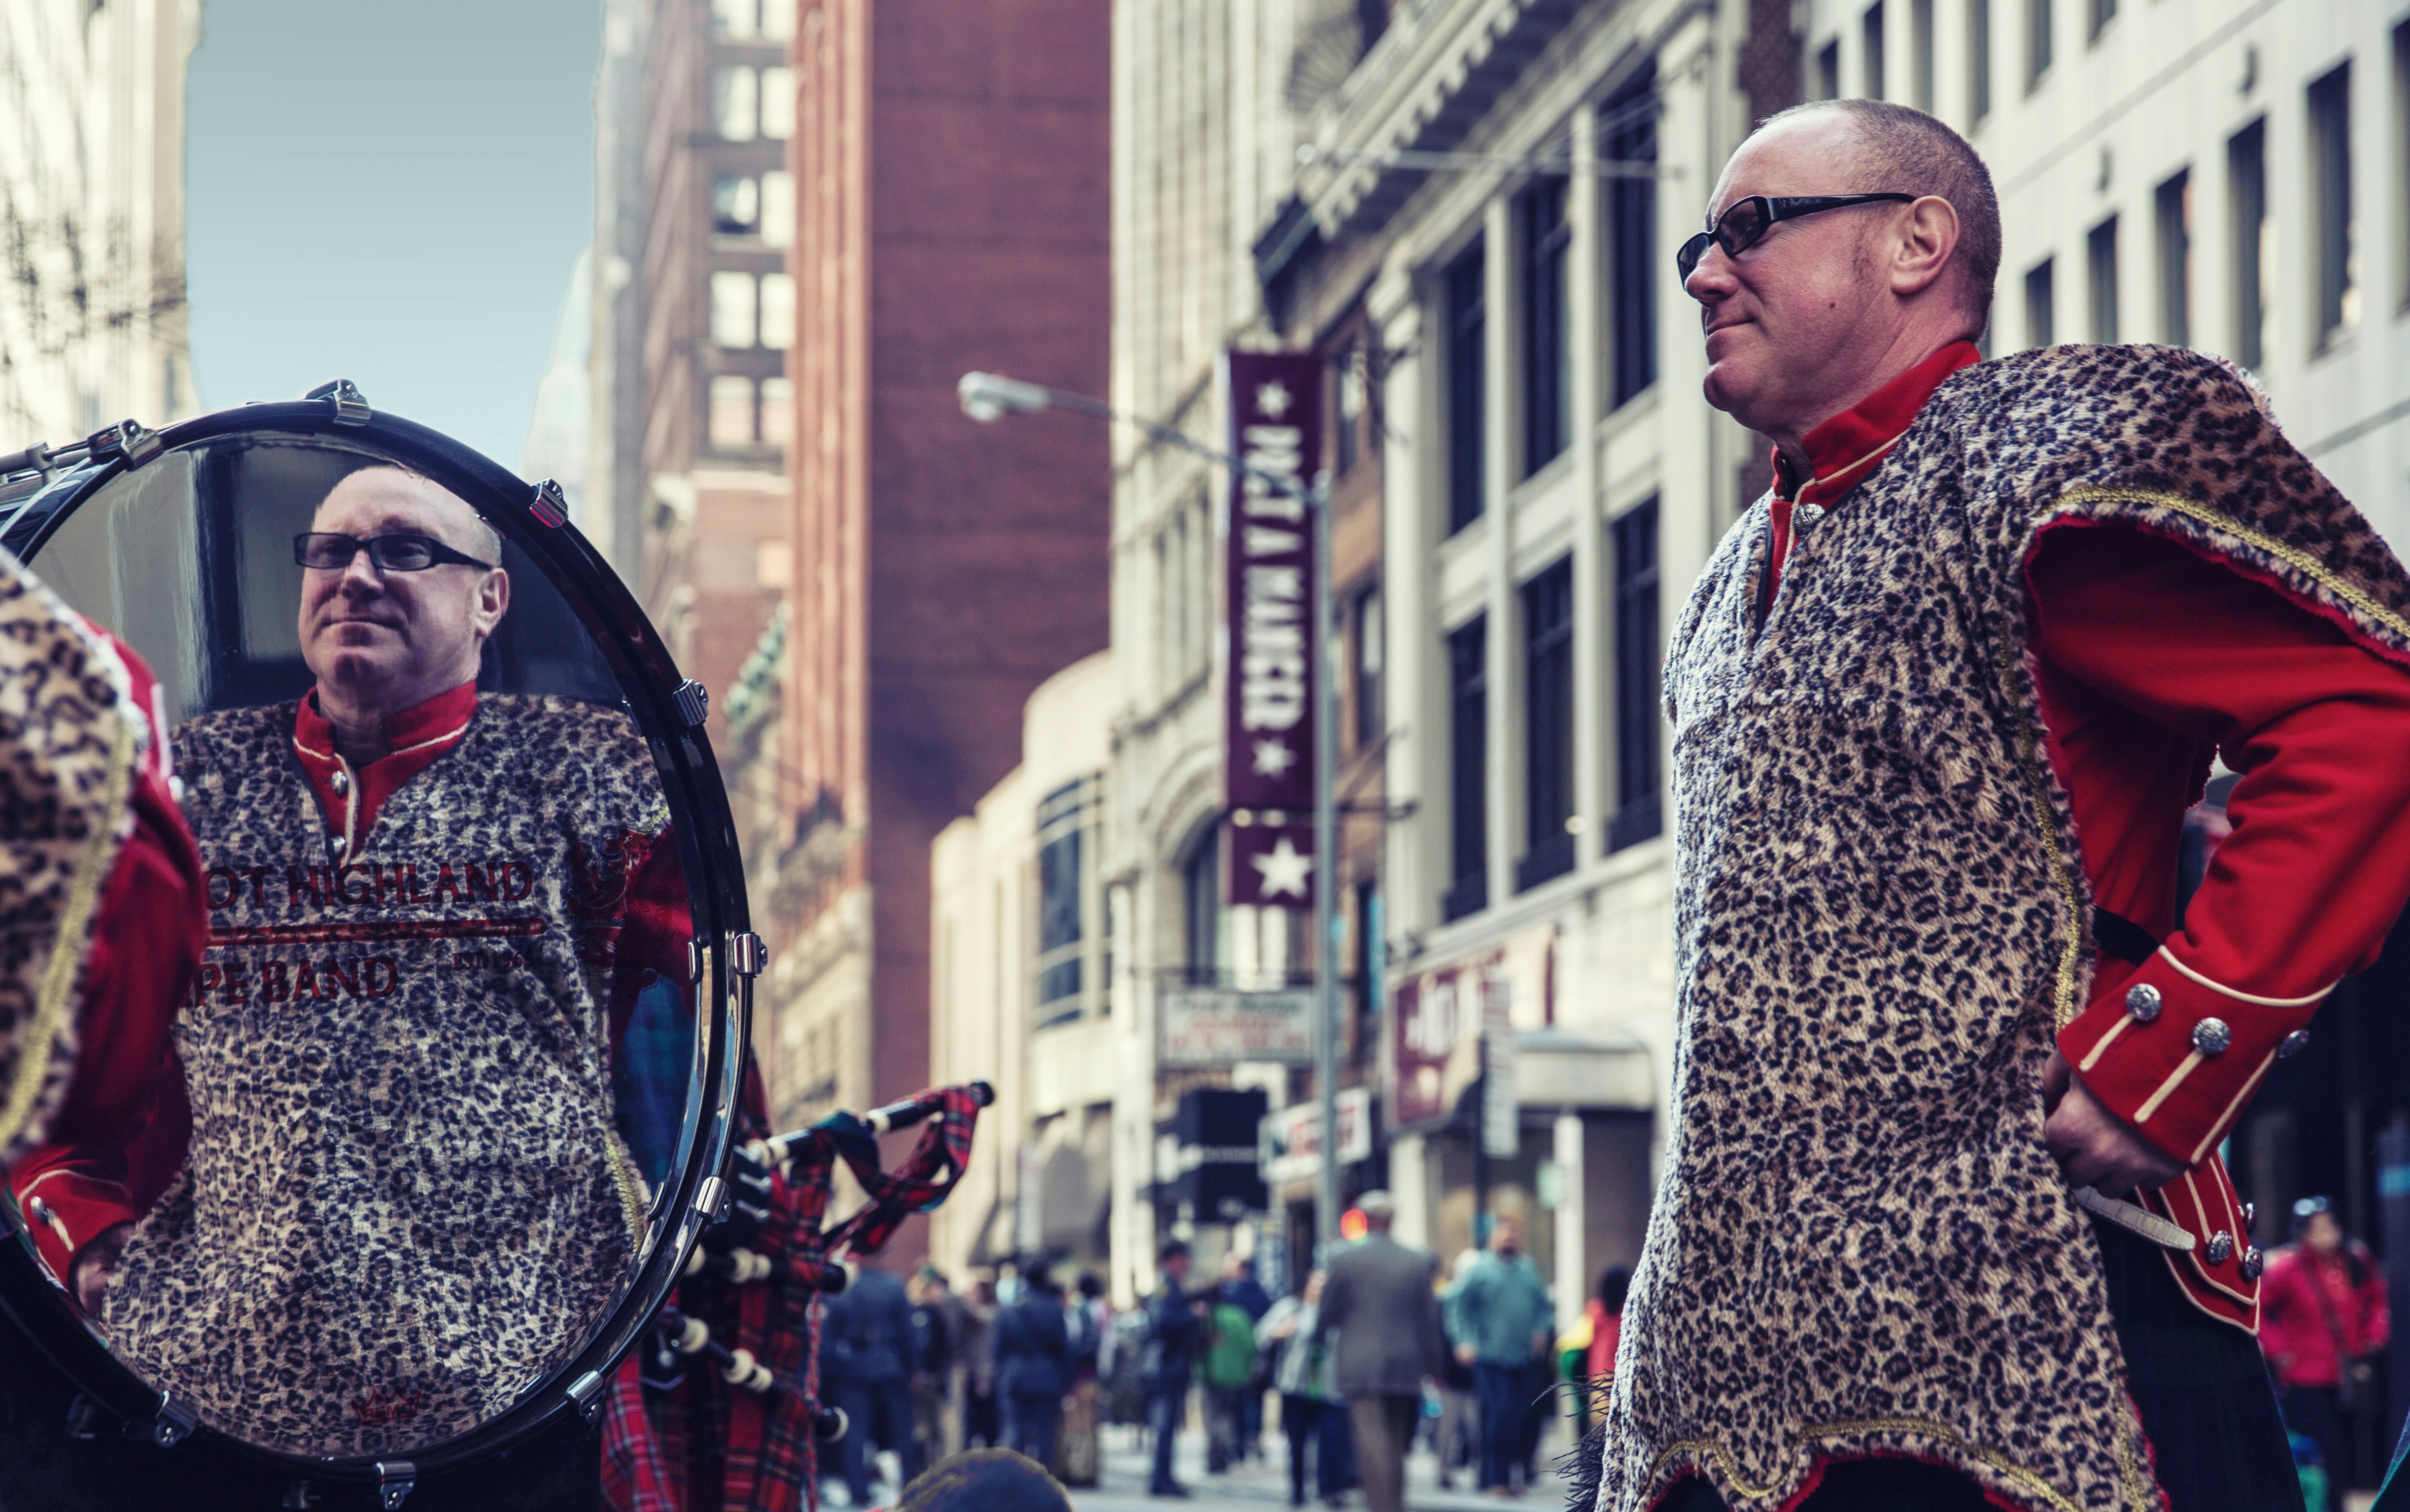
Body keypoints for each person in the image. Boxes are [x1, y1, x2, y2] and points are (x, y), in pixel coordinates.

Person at [1580, 93, 2410, 1512]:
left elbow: (2369, 705)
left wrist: (2163, 1066)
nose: (1706, 272)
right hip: (1719, 1380)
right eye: (1696, 249)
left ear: (1915, 241)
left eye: (1749, 228)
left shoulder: (2057, 452)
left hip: (2029, 1326)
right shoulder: (1726, 573)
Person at [20, 464, 689, 1457]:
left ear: (488, 597)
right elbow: (51, 1057)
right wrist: (92, 1250)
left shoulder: (597, 777)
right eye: (329, 551)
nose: (357, 574)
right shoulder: (179, 783)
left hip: (523, 1403)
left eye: (406, 549)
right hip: (213, 1404)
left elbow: (690, 1068)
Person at [1313, 1190, 1447, 1512]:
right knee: (1398, 1441)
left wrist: (1317, 1341)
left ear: (1366, 1219)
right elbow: (1429, 1322)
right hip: (1406, 1364)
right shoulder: (1416, 1262)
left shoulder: (1344, 1260)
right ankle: (1395, 1503)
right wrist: (1436, 1367)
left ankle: (1382, 1506)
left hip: (1360, 1364)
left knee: (1372, 1442)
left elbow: (1326, 1314)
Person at [2264, 1197, 2392, 1494]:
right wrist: (2278, 1350)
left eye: (2329, 1226)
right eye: (2316, 1229)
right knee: (2320, 1453)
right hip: (2304, 1376)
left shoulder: (2355, 1260)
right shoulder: (2287, 1267)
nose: (2326, 1234)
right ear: (2302, 1234)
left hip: (2347, 1371)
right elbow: (2258, 1307)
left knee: (2345, 1449)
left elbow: (2377, 1295)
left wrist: (2374, 1332)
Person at [1444, 1218, 1553, 1496]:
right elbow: (1456, 1306)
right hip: (1490, 1357)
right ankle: (1498, 1479)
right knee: (1500, 1414)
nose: (1509, 1238)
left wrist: (1541, 1330)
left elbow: (1544, 1308)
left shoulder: (1528, 1270)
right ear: (1492, 1237)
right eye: (1503, 1233)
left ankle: (1495, 1475)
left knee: (1516, 1417)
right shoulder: (1478, 1270)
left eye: (1513, 1234)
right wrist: (1464, 1341)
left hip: (1522, 1358)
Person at [826, 1262, 922, 1505]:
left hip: (855, 1367)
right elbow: (908, 1333)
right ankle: (911, 1487)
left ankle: (859, 1491)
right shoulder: (893, 1286)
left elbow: (828, 1339)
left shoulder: (843, 1288)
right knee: (903, 1432)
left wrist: (838, 1367)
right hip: (890, 1365)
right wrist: (914, 1368)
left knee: (855, 1432)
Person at [1262, 1270, 1359, 1509]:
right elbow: (1261, 1334)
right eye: (1316, 1284)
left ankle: (1330, 1489)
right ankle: (1297, 1489)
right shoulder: (1291, 1308)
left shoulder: (1340, 1314)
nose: (1320, 1289)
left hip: (1330, 1388)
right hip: (1296, 1386)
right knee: (1298, 1441)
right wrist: (1280, 1331)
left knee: (1332, 1441)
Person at [992, 1262, 1073, 1471]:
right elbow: (1063, 1348)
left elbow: (998, 1349)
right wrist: (1065, 1380)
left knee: (1014, 1430)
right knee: (1045, 1435)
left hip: (1015, 1375)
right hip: (1047, 1376)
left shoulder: (1010, 1309)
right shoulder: (1054, 1308)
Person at [1145, 1239, 1207, 1497]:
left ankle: (1163, 1477)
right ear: (1172, 1260)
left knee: (1168, 1425)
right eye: (1183, 1259)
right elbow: (1162, 1322)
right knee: (1165, 1424)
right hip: (1165, 1364)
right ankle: (1161, 1479)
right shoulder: (1165, 1287)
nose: (1187, 1265)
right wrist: (1192, 1315)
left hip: (1170, 1364)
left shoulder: (1171, 1286)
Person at [1201, 1282, 1260, 1473]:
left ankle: (1215, 1456)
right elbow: (1251, 1346)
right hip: (1236, 1377)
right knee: (1228, 1417)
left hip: (1211, 1376)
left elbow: (1198, 1350)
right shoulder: (1239, 1317)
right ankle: (1226, 1453)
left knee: (1212, 1418)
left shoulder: (1209, 1318)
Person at [909, 1267, 957, 1473]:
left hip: (931, 1377)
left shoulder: (936, 1314)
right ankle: (924, 1466)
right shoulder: (917, 1313)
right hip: (923, 1378)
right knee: (923, 1427)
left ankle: (932, 1466)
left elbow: (945, 1347)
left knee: (932, 1427)